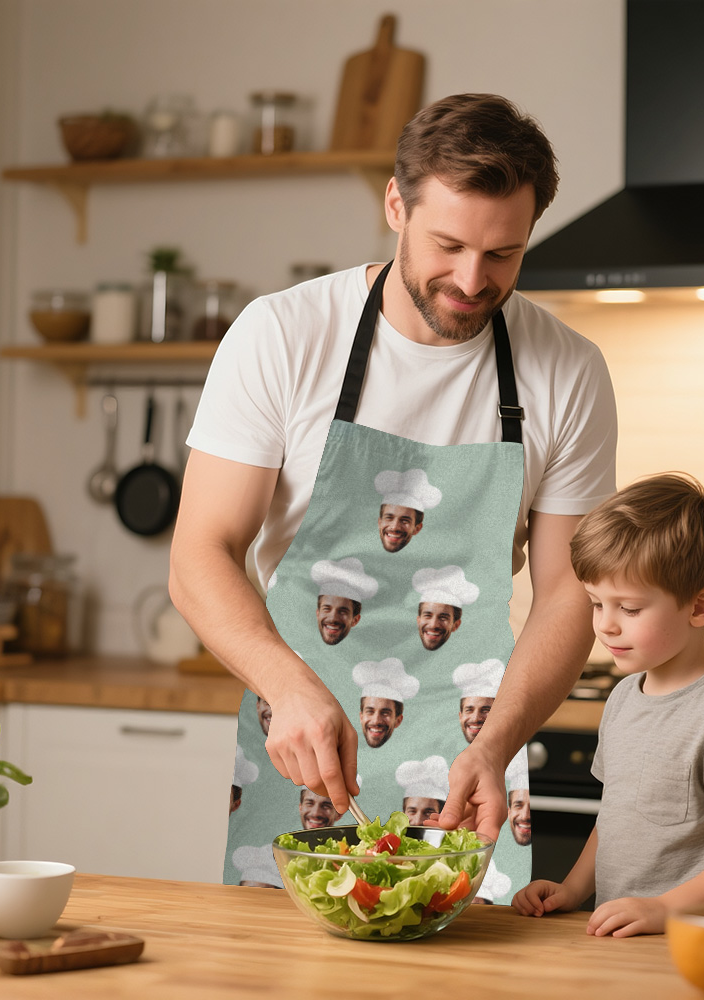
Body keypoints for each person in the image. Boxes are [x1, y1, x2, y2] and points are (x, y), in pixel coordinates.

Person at [169, 93, 617, 903]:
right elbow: (200, 553)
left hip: (469, 756)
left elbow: (566, 597)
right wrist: (290, 686)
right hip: (297, 731)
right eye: (447, 245)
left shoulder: (568, 370)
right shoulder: (283, 335)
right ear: (395, 205)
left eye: (504, 255)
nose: (472, 281)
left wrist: (498, 743)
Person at [512, 473, 704, 936]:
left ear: (700, 607)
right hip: (629, 936)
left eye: (630, 609)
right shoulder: (624, 698)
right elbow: (615, 815)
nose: (606, 626)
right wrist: (575, 889)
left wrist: (666, 908)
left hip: (702, 939)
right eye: (597, 603)